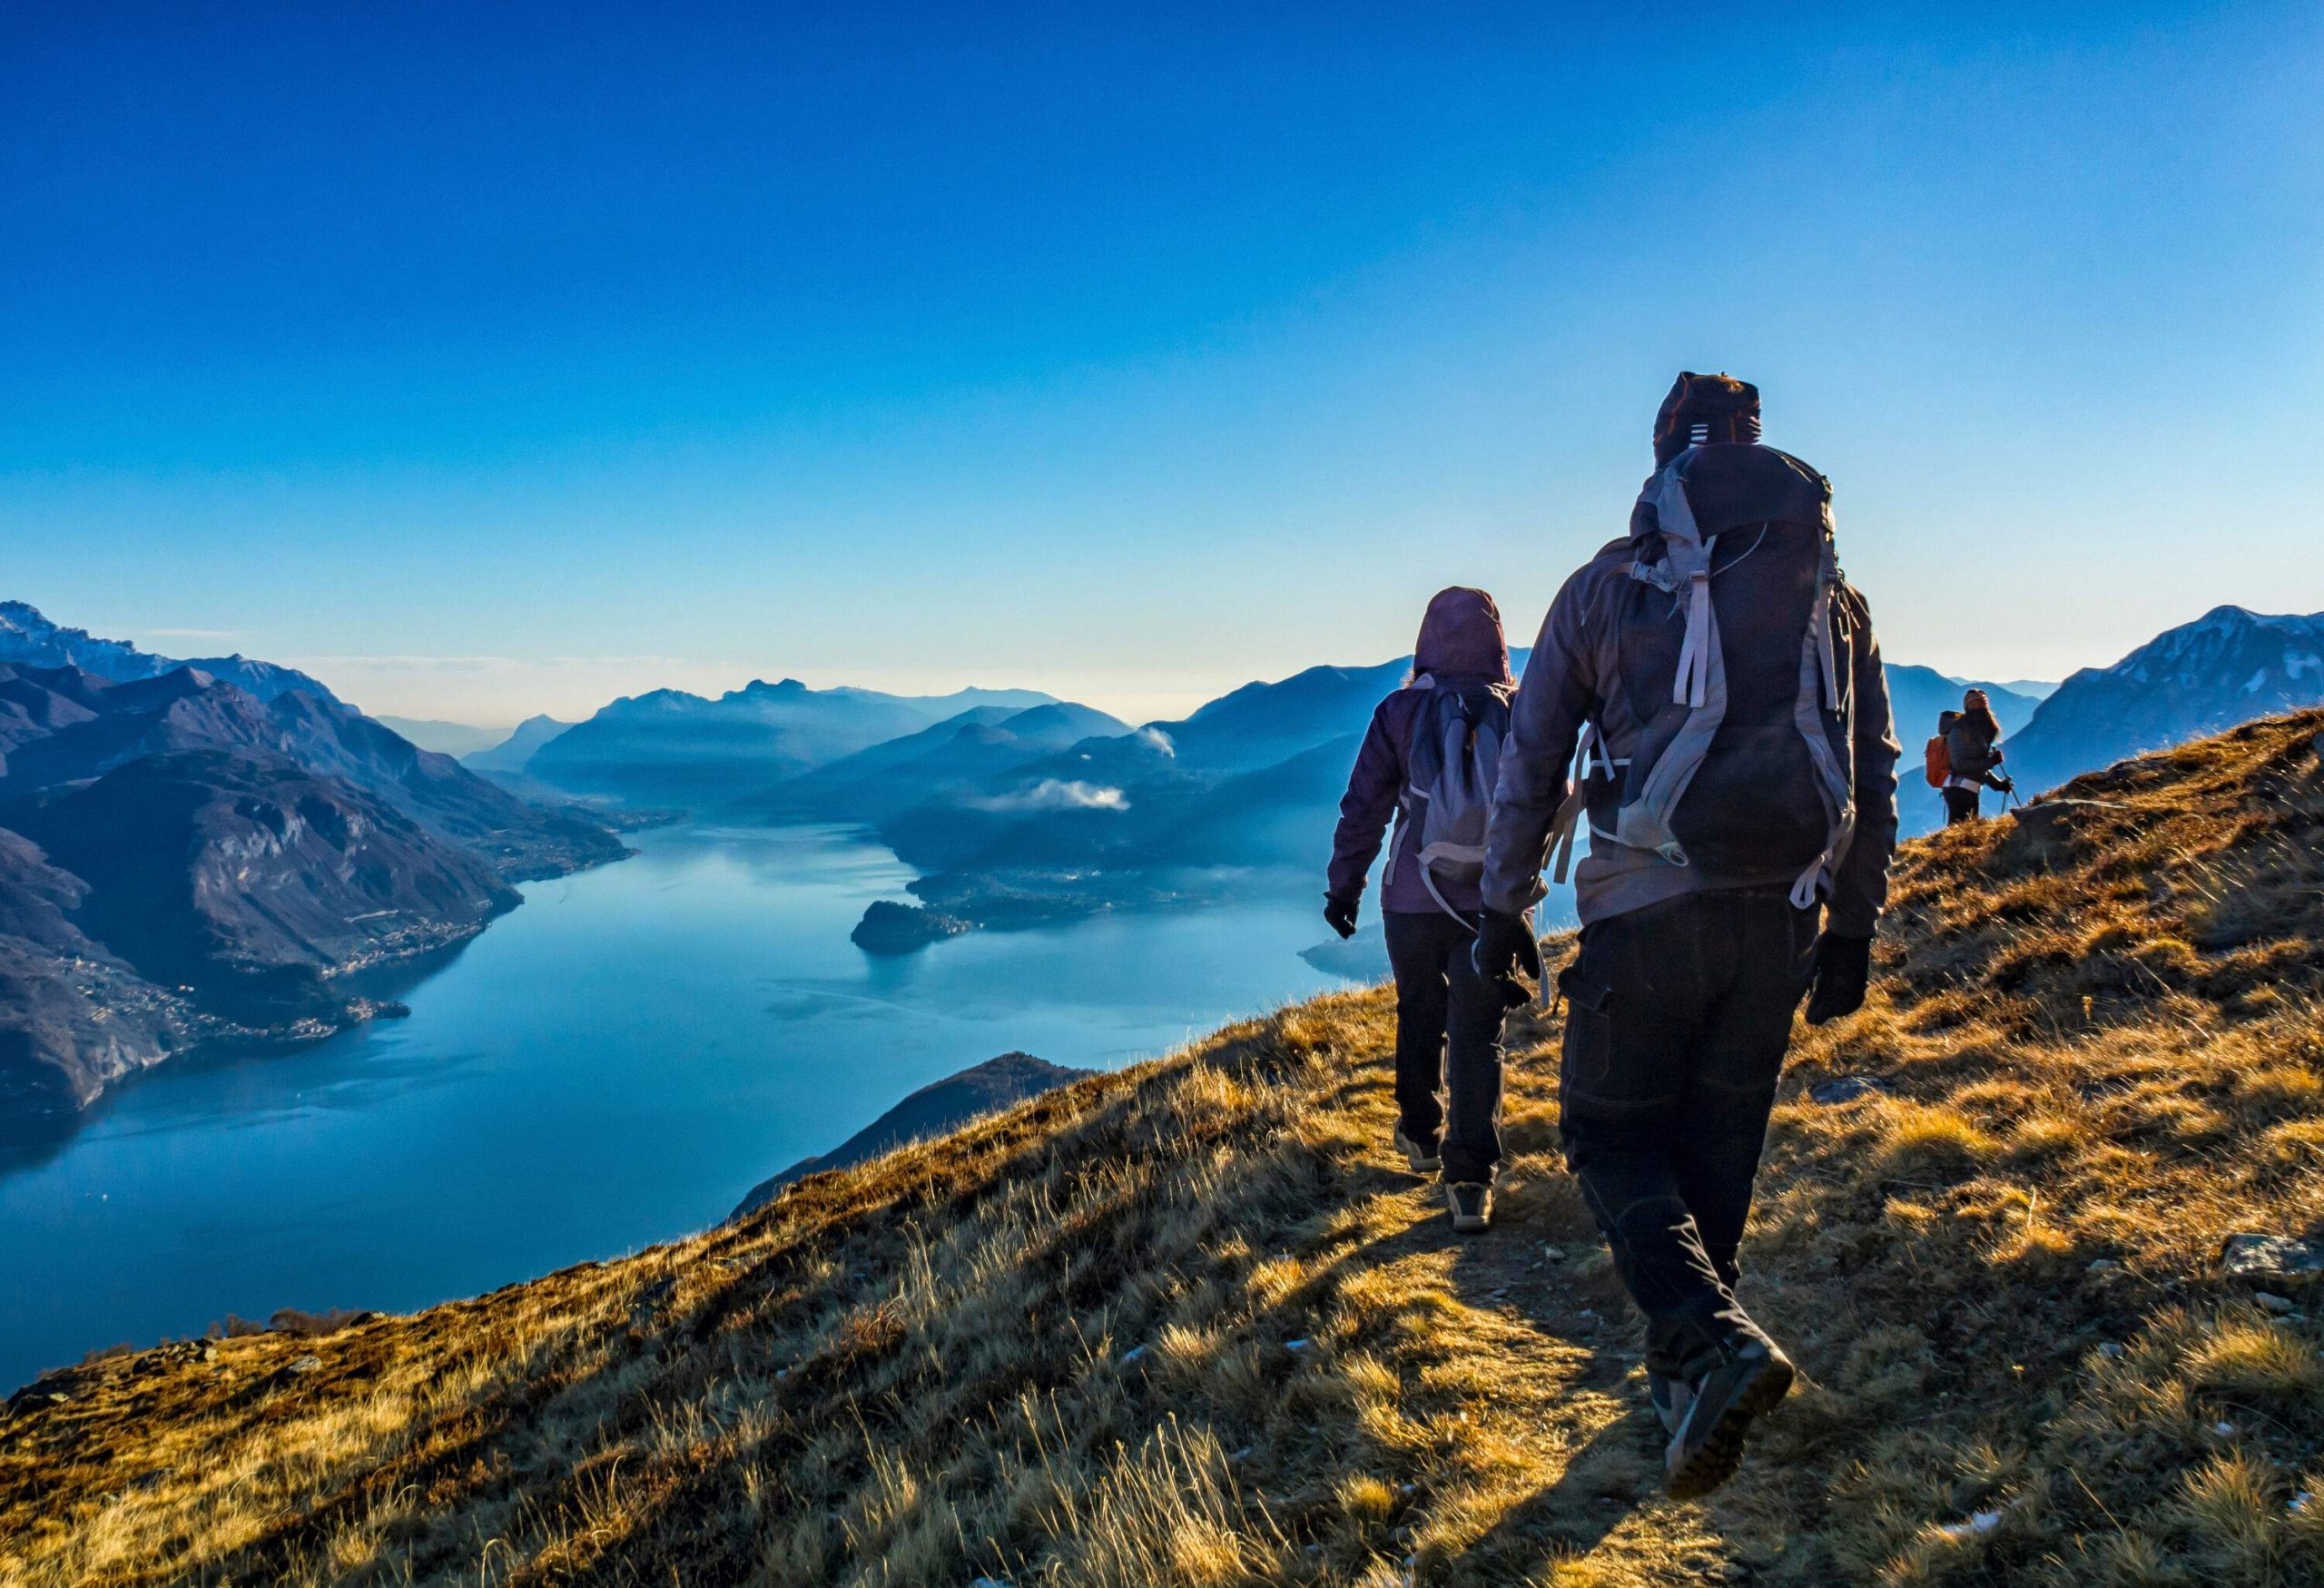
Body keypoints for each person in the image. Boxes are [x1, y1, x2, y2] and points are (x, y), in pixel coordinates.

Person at [1472, 372, 1901, 1498]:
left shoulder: (1609, 587)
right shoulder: (1833, 597)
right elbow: (1873, 766)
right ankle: (1690, 1394)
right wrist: (1852, 925)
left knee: (1610, 1139)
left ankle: (1710, 1354)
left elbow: (1531, 760)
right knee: (1716, 1151)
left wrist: (1505, 904)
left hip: (1645, 912)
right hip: (1785, 913)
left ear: (1663, 460)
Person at [1326, 587, 1531, 1234]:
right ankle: (1470, 1180)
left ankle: (1419, 1135)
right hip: (1490, 904)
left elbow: (1364, 808)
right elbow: (1537, 806)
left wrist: (1344, 887)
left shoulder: (1399, 712)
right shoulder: (1522, 712)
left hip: (1412, 900)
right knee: (1478, 1031)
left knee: (1419, 1009)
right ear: (1497, 641)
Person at [1941, 688, 2013, 824]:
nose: (1979, 707)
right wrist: (1991, 762)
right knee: (1964, 835)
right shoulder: (1961, 729)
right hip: (1960, 789)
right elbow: (1960, 764)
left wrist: (1999, 785)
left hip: (1960, 788)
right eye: (1977, 703)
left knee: (1961, 836)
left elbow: (1975, 765)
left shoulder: (1975, 728)